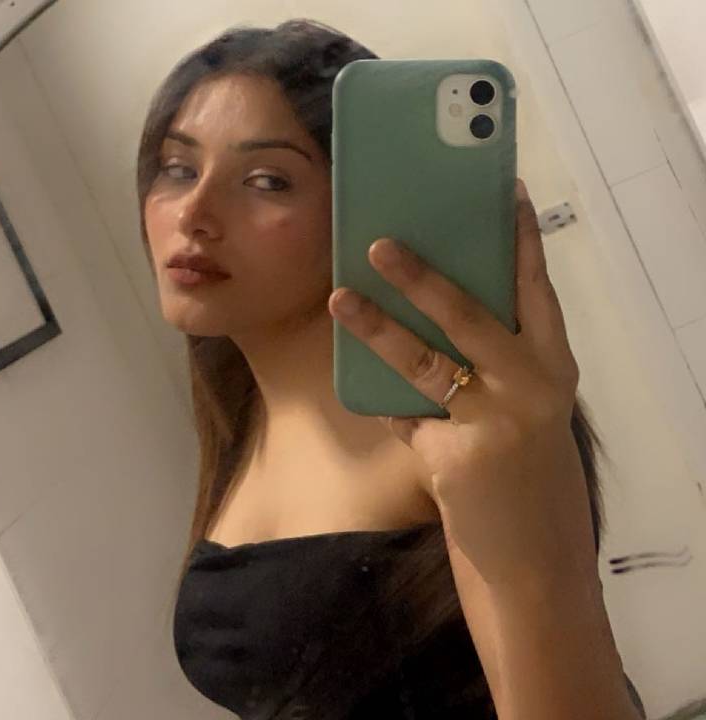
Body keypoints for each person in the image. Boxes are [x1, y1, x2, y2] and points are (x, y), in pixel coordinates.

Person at [136, 17, 647, 719]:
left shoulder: (456, 433)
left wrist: (529, 526)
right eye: (178, 168)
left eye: (267, 181)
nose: (193, 213)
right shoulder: (245, 414)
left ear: (361, 206)